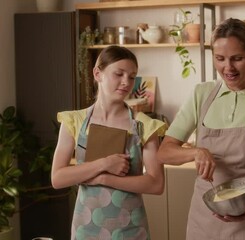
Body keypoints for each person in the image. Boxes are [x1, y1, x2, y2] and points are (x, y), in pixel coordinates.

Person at [157, 18, 245, 240]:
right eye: (219, 59)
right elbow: (164, 152)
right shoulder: (201, 95)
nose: (227, 68)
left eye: (237, 59)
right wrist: (195, 152)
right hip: (203, 222)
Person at [51, 45, 166, 240]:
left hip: (130, 229)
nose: (126, 82)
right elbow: (58, 178)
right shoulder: (74, 121)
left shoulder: (144, 125)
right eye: (119, 74)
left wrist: (105, 179)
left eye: (132, 76)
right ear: (98, 74)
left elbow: (156, 184)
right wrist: (105, 164)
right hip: (86, 229)